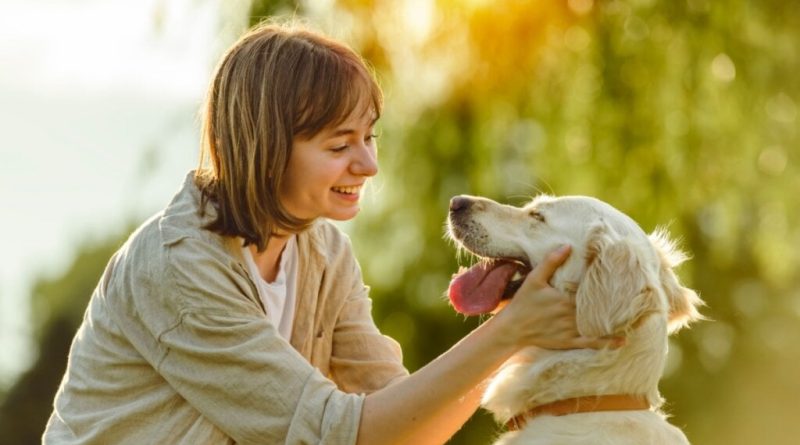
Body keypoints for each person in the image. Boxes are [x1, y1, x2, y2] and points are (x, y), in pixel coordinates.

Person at [43, 20, 613, 445]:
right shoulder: (178, 267)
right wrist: (509, 332)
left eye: (370, 138)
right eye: (340, 146)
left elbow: (400, 416)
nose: (367, 166)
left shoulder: (321, 251)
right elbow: (341, 435)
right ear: (265, 148)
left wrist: (518, 338)